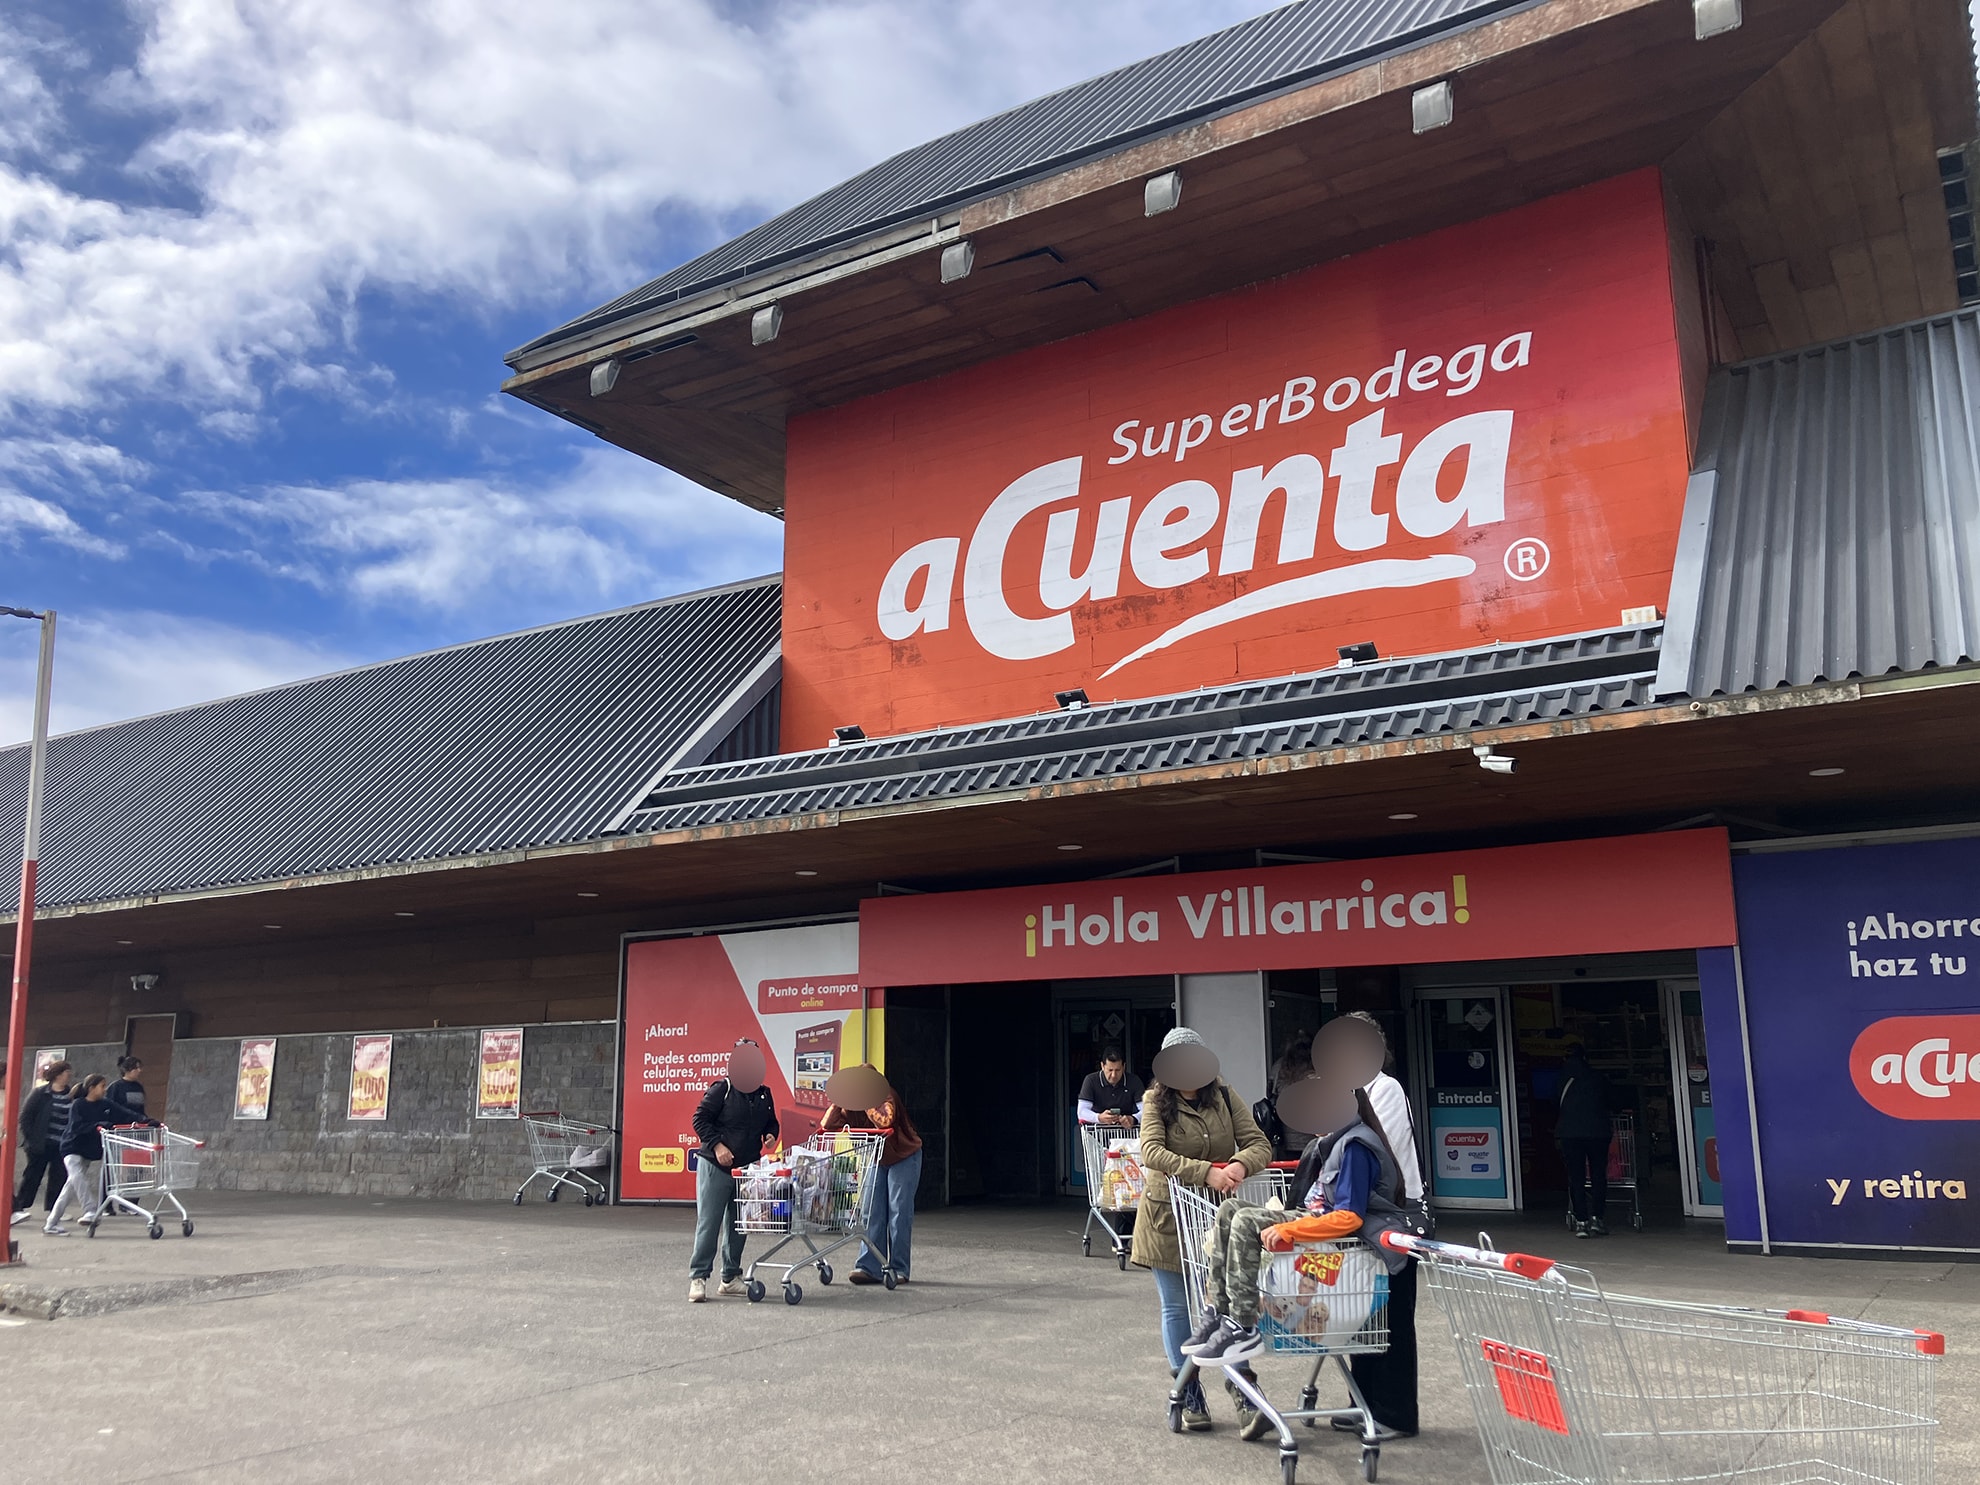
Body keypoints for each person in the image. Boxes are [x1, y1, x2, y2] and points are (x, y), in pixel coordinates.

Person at [1182, 1085, 1405, 1384]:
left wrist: (1288, 1229)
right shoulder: (1334, 1142)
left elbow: (1349, 1217)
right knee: (1229, 1209)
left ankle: (1242, 1324)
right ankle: (1218, 1310)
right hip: (1312, 1217)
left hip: (1331, 1233)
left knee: (1246, 1220)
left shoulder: (1356, 1146)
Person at [1132, 1026, 1272, 1433]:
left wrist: (1240, 1164)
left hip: (1218, 1218)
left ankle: (1243, 1389)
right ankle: (1188, 1389)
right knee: (1176, 1306)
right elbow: (1151, 1151)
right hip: (1167, 1216)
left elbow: (1259, 1143)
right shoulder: (1155, 1101)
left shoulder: (1224, 1095)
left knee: (1227, 1307)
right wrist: (1205, 1171)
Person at [1317, 1011, 1423, 1441]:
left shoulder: (1386, 1088)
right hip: (1364, 1215)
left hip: (1394, 1217)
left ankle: (1394, 1413)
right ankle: (1362, 1401)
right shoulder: (1349, 1091)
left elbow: (1375, 1150)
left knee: (1392, 1316)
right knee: (1364, 1312)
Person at [686, 1038, 779, 1302]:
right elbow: (699, 1119)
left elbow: (771, 1122)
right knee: (709, 1223)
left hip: (746, 1169)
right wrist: (717, 1146)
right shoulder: (722, 1089)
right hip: (715, 1166)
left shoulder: (764, 1093)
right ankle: (698, 1277)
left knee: (740, 1225)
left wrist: (771, 1134)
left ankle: (730, 1278)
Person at [819, 1068, 923, 1285]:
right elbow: (827, 1124)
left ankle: (899, 1268)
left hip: (903, 1155)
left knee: (898, 1212)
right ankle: (869, 1266)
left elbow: (885, 1120)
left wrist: (866, 1102)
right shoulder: (851, 1103)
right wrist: (839, 1101)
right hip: (877, 1158)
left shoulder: (887, 1095)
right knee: (871, 1211)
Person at [44, 1074, 149, 1236]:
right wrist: (97, 1125)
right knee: (78, 1177)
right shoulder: (78, 1105)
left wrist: (145, 1120)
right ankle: (90, 1210)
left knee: (70, 1186)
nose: (105, 1089)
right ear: (91, 1088)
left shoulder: (105, 1104)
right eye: (102, 1086)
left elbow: (125, 1113)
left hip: (88, 1151)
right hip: (72, 1148)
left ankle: (51, 1224)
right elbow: (77, 1127)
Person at [1556, 1042, 1611, 1238]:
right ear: (1585, 1057)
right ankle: (1597, 1219)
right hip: (1598, 1132)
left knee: (1576, 1177)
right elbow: (1612, 1101)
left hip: (1570, 1133)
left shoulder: (1561, 1078)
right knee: (1598, 1176)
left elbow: (1554, 1103)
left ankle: (1581, 1222)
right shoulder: (1598, 1077)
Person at [12, 1060, 72, 1225]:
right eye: (66, 1072)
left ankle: (54, 1208)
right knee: (32, 1176)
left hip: (61, 1144)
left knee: (59, 1176)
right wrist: (31, 1138)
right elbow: (25, 1117)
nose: (69, 1076)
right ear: (58, 1075)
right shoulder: (40, 1093)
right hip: (40, 1143)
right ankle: (20, 1206)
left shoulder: (70, 1094)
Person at [1077, 1045, 1144, 1127]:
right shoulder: (1091, 1080)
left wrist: (1134, 1119)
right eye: (1110, 1070)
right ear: (1102, 1066)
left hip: (1126, 1131)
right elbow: (1082, 1111)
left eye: (1117, 1070)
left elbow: (1147, 1110)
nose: (1113, 1075)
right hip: (1097, 1130)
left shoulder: (1134, 1081)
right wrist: (1099, 1117)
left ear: (1124, 1067)